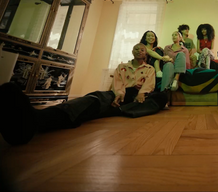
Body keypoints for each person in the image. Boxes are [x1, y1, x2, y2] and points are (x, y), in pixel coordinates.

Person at [0, 43, 168, 146]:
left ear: (146, 53)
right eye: (136, 48)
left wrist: (142, 93)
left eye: (142, 49)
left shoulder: (149, 69)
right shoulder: (122, 66)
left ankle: (125, 108)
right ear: (132, 51)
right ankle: (37, 120)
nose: (139, 51)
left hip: (137, 97)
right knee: (92, 100)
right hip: (117, 97)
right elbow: (117, 83)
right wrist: (118, 95)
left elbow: (149, 84)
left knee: (161, 97)